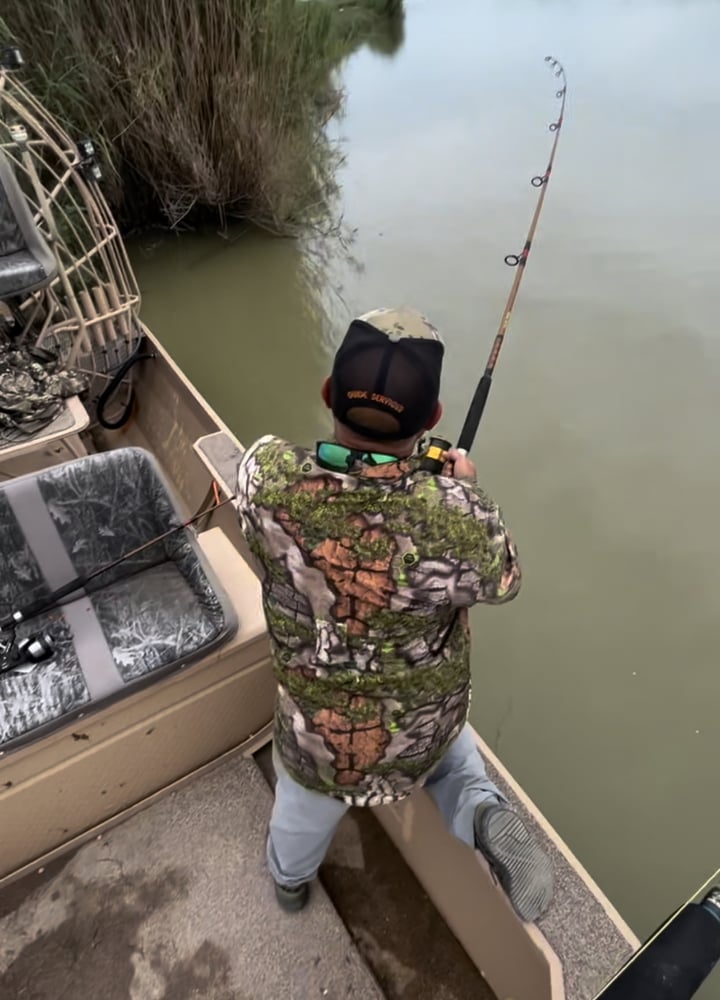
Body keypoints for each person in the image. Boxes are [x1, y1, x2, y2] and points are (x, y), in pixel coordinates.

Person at [234, 306, 553, 923]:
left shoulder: (264, 476)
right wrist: (463, 487)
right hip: (418, 729)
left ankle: (290, 885)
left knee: (300, 815)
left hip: (316, 737)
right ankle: (482, 812)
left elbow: (281, 470)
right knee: (454, 763)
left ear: (328, 394)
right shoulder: (459, 517)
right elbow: (504, 581)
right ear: (432, 420)